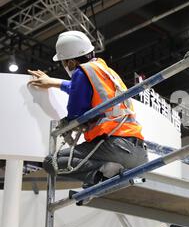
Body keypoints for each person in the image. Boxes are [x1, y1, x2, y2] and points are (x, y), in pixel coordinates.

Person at [28, 31, 148, 188]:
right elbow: (81, 89)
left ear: (70, 63)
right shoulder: (105, 72)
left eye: (64, 63)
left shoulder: (81, 72)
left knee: (51, 162)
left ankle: (101, 174)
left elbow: (75, 113)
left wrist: (68, 123)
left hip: (114, 145)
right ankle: (104, 178)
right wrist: (52, 82)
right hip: (139, 152)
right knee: (98, 183)